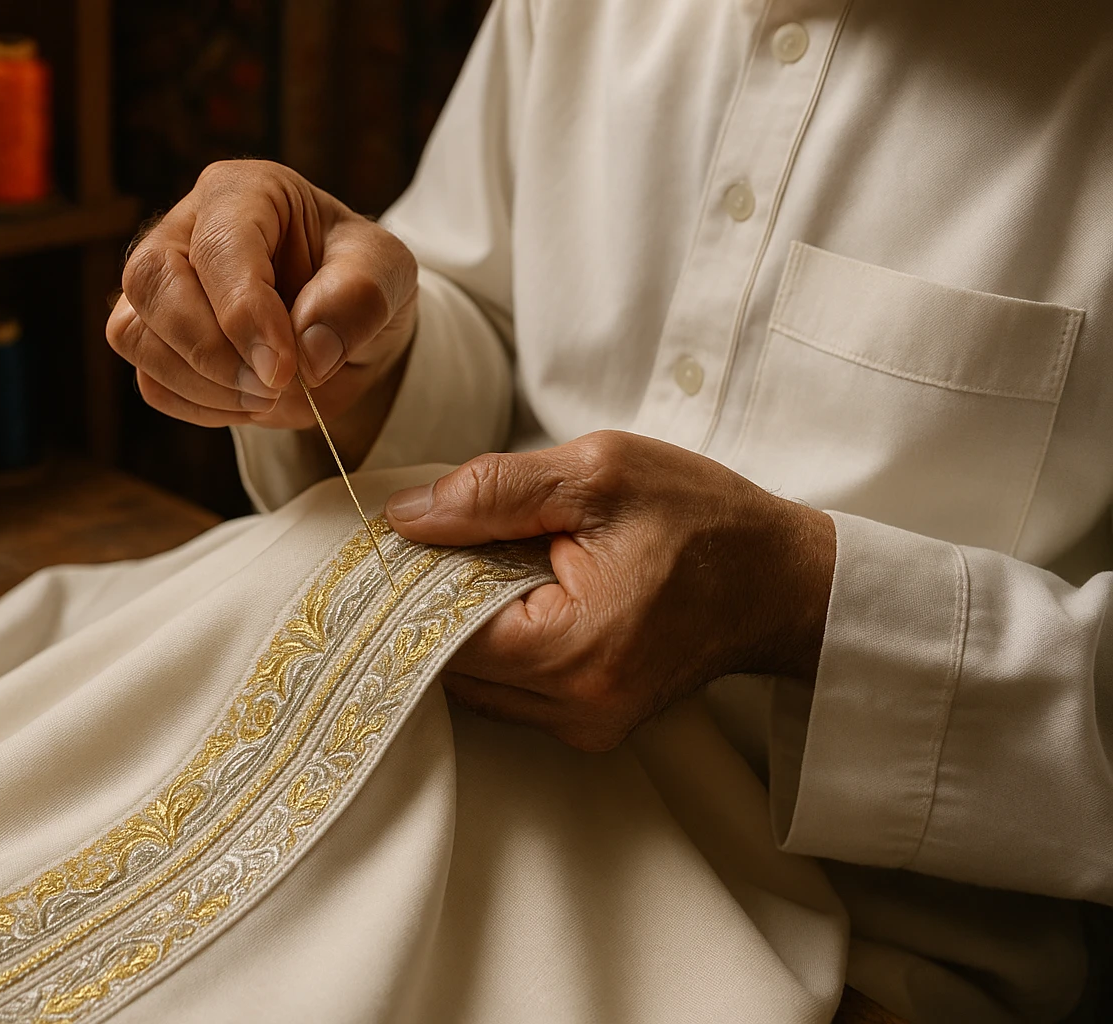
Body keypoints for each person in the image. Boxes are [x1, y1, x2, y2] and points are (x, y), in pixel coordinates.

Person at [106, 0, 1113, 1020]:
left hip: (872, 945)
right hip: (440, 765)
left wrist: (803, 601)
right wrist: (358, 355)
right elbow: (490, 326)